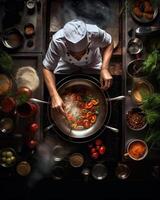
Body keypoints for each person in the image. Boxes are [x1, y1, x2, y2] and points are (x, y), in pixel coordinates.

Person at [43, 19, 114, 114]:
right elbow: (47, 68)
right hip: (66, 64)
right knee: (58, 82)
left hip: (93, 62)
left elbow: (109, 43)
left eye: (83, 51)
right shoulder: (57, 41)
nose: (78, 56)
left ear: (89, 41)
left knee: (101, 83)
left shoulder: (95, 32)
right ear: (65, 44)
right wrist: (53, 95)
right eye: (73, 53)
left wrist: (104, 68)